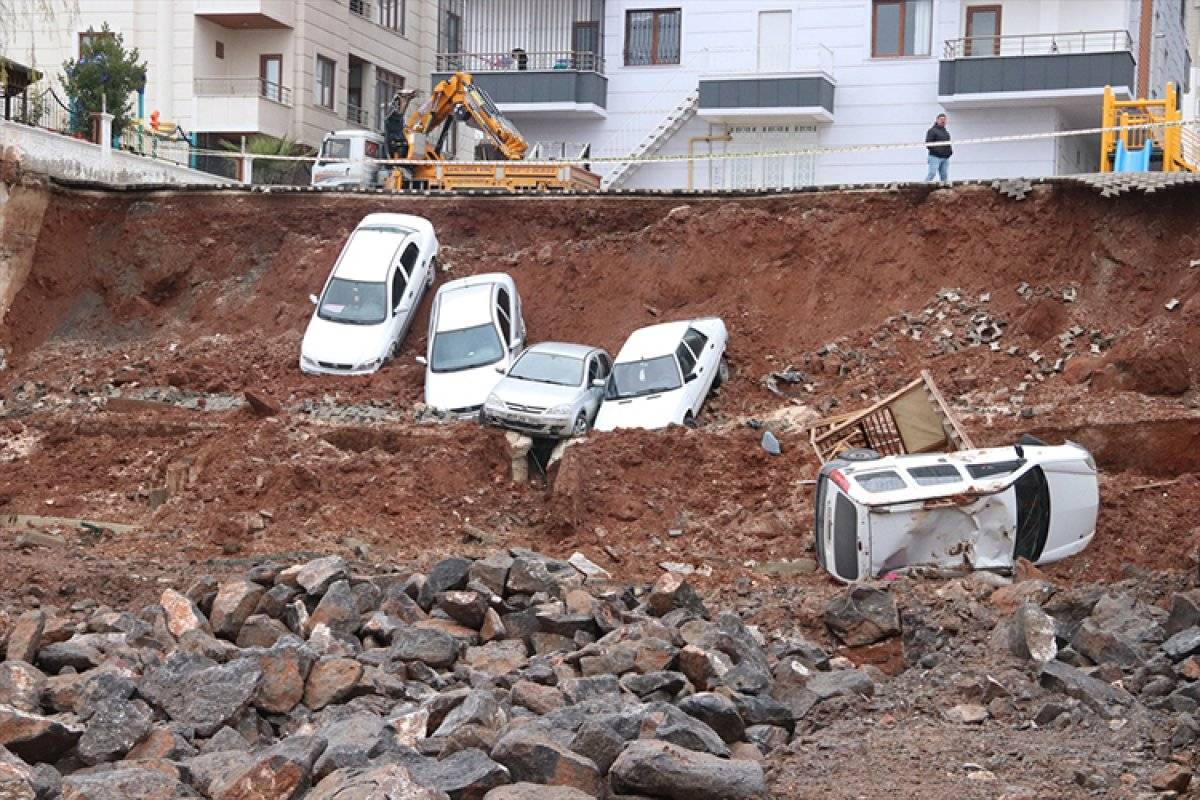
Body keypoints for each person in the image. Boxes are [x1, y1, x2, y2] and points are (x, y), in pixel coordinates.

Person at [925, 113, 952, 182]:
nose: (943, 121)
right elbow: (928, 144)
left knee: (944, 175)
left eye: (944, 120)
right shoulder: (932, 131)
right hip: (935, 157)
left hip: (945, 158)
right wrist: (938, 151)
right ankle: (923, 186)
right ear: (937, 120)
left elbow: (948, 144)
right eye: (941, 119)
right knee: (932, 173)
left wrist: (950, 152)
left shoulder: (946, 133)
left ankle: (944, 190)